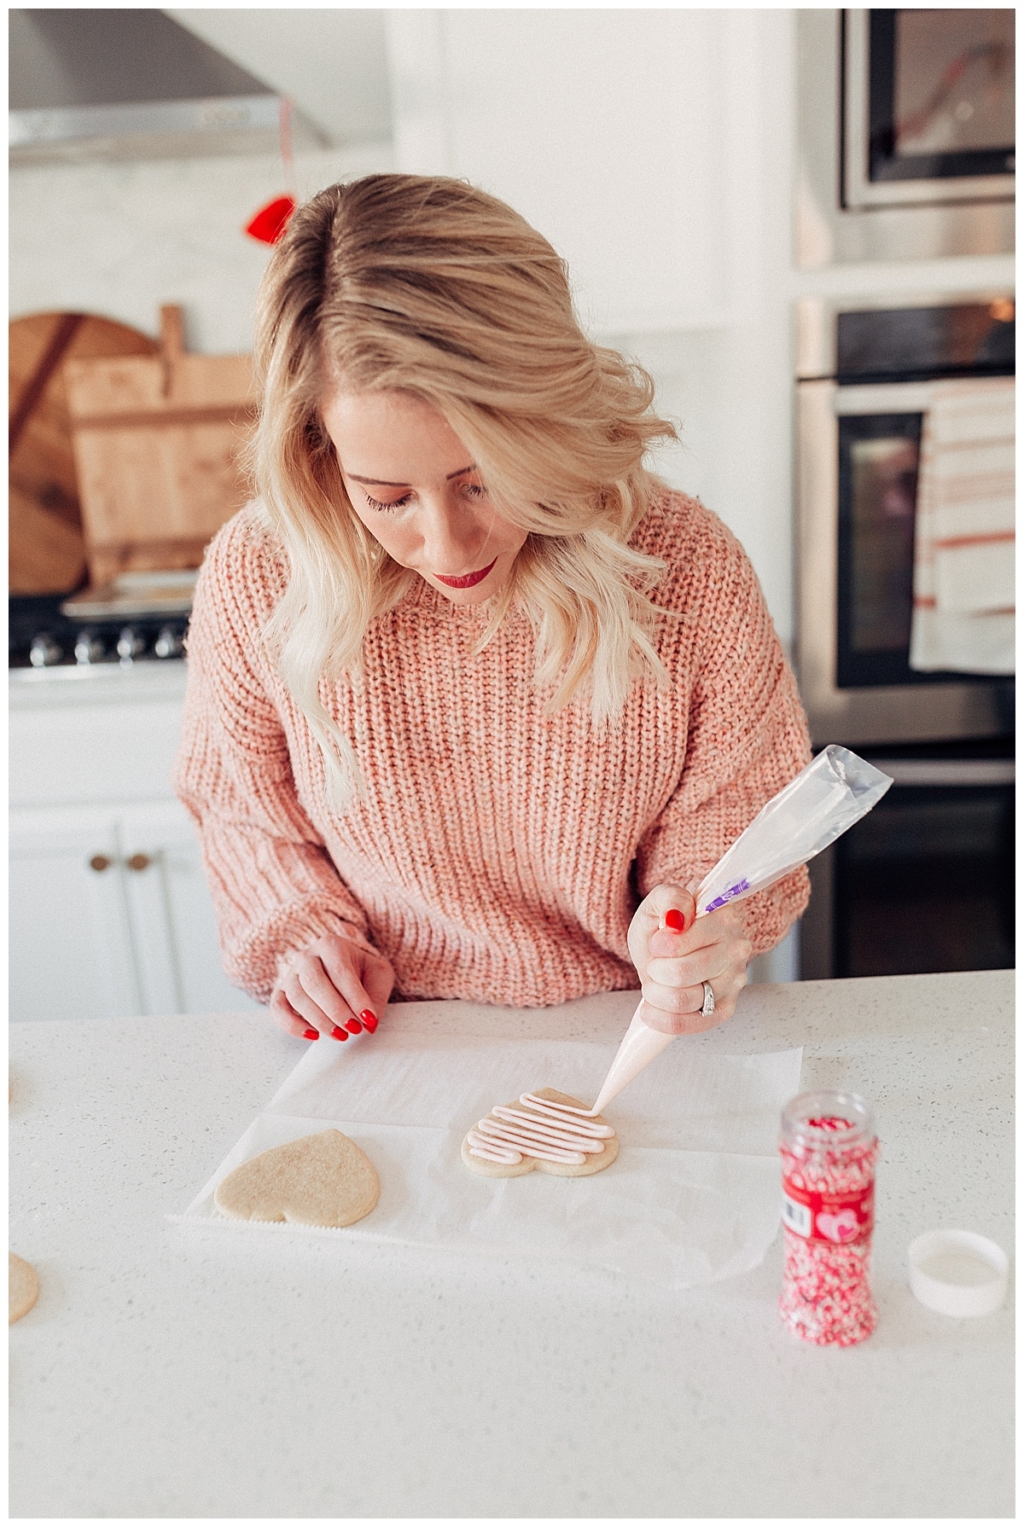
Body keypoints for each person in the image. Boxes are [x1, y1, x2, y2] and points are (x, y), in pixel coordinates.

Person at [175, 173, 811, 1047]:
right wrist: (304, 936)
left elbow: (739, 812)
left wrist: (697, 913)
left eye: (483, 481)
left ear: (549, 425)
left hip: (630, 1035)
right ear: (320, 457)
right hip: (390, 1037)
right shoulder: (260, 574)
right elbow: (245, 813)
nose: (449, 546)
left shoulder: (686, 565)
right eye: (388, 497)